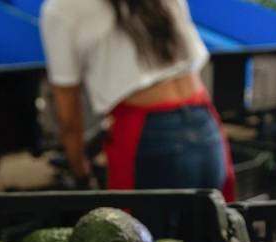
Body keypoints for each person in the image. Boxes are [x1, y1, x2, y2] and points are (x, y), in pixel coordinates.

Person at [40, 0, 234, 198]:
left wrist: (81, 174)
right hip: (205, 125)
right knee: (207, 226)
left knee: (138, 229)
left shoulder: (61, 8)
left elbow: (68, 117)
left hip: (147, 133)